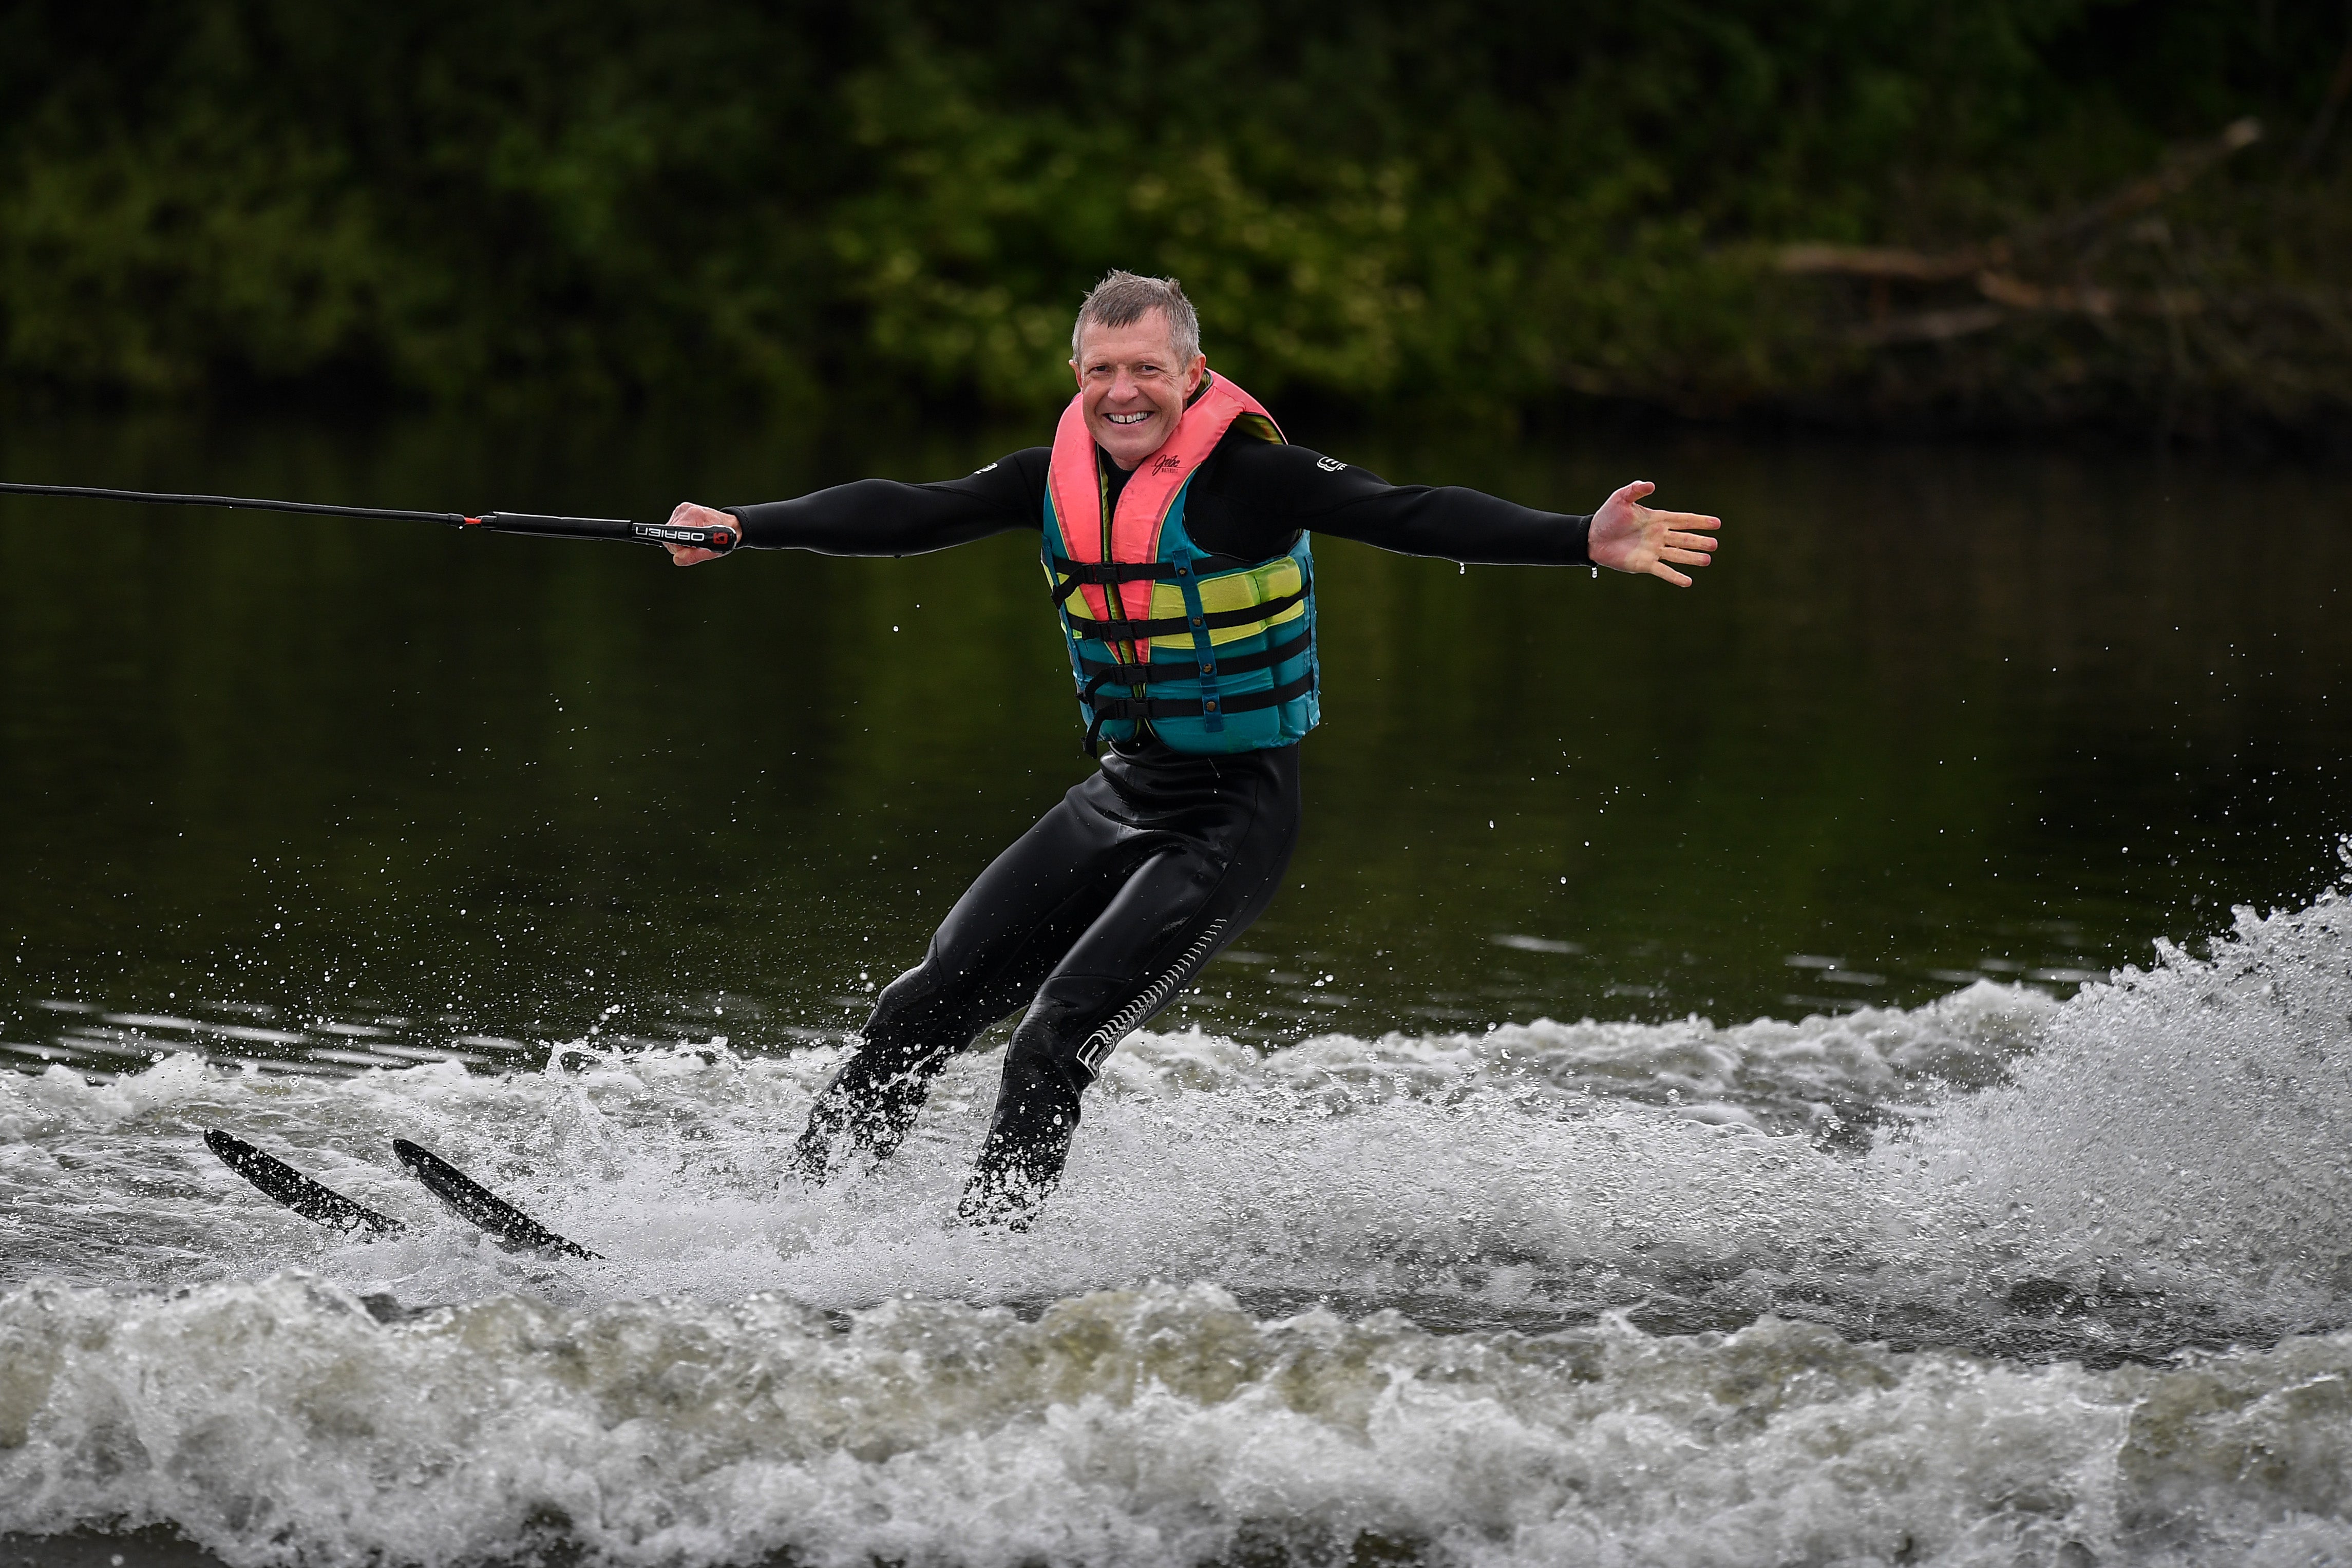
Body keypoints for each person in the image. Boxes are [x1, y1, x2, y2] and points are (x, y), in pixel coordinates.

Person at [663, 271, 1720, 1227]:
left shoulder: (1253, 481)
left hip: (1232, 819)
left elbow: (1411, 513)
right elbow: (908, 513)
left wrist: (1576, 537)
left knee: (1050, 1039)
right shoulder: (1053, 478)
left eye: (1147, 371)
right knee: (920, 1004)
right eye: (1102, 372)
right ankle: (795, 1220)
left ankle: (984, 1258)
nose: (1124, 394)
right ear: (1078, 376)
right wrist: (744, 525)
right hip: (1123, 792)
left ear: (1192, 373)